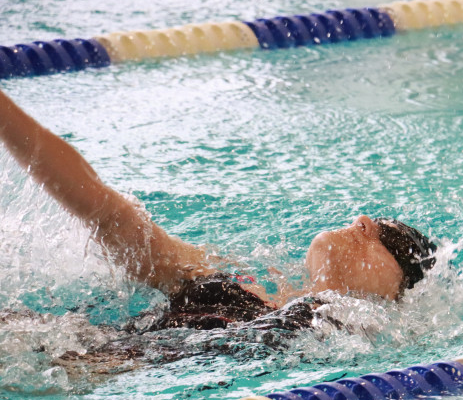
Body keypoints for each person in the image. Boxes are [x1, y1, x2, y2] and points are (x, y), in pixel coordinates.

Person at [0, 88, 437, 333]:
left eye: (390, 238)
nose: (363, 222)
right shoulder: (230, 278)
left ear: (398, 295)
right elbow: (103, 207)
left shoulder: (355, 343)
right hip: (55, 346)